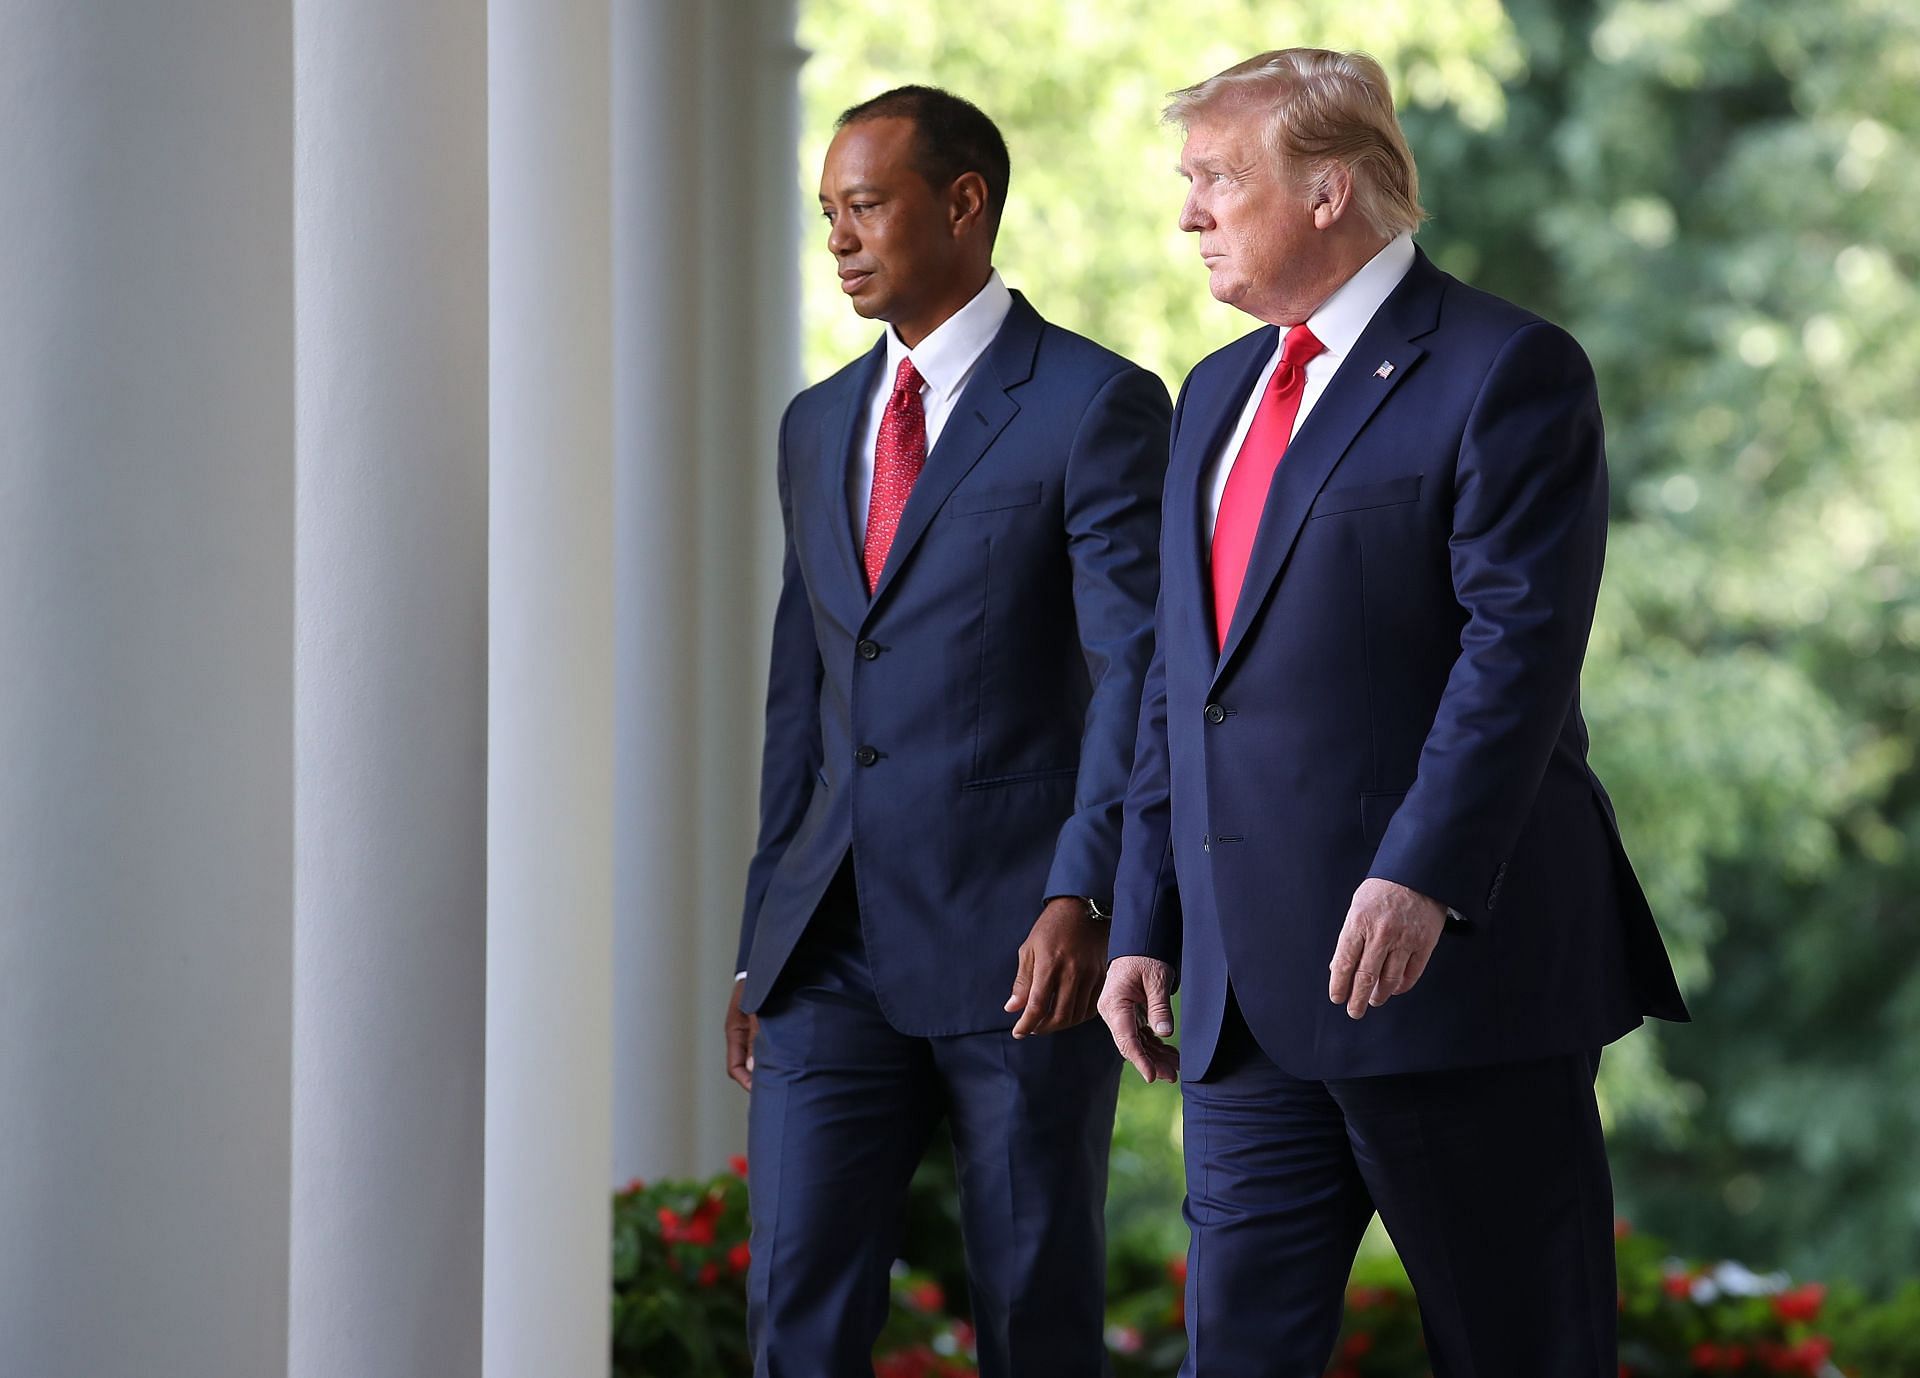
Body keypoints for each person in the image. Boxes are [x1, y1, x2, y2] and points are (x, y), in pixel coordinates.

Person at [1097, 48, 1690, 1376]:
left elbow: (1517, 655)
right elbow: (1178, 684)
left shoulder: (1508, 369)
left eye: (1216, 180)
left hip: (1452, 982)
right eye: (1187, 182)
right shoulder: (1212, 396)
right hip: (1247, 1004)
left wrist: (1420, 870)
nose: (1189, 213)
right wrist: (1143, 911)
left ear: (1331, 191)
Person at [726, 85, 1171, 1377]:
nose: (841, 240)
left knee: (1036, 1317)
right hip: (829, 952)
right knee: (796, 1322)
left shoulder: (1094, 403)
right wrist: (764, 935)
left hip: (1020, 947)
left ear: (964, 203)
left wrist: (1086, 888)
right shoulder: (817, 425)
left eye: (865, 206)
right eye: (828, 215)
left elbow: (1132, 668)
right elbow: (800, 691)